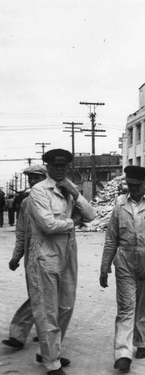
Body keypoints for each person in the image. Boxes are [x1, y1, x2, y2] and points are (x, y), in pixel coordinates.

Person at [27, 149, 95, 375]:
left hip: (68, 252)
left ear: (68, 166)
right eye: (55, 165)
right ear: (46, 166)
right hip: (45, 254)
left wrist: (75, 194)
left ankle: (50, 351)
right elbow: (47, 225)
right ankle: (51, 363)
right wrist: (73, 221)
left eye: (64, 165)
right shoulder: (38, 191)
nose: (60, 169)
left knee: (66, 306)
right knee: (47, 310)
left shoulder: (68, 189)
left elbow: (91, 215)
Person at [100, 166, 145, 373]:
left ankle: (140, 341)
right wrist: (105, 267)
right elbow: (111, 238)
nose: (133, 189)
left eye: (137, 186)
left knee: (144, 305)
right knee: (126, 308)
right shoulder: (120, 204)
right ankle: (123, 354)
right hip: (125, 263)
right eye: (129, 185)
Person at [2, 165, 46, 351]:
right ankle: (37, 333)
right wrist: (16, 256)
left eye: (37, 178)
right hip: (33, 257)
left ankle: (27, 334)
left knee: (49, 299)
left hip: (56, 257)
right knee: (37, 296)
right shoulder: (26, 203)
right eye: (31, 179)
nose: (33, 182)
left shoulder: (59, 199)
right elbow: (21, 232)